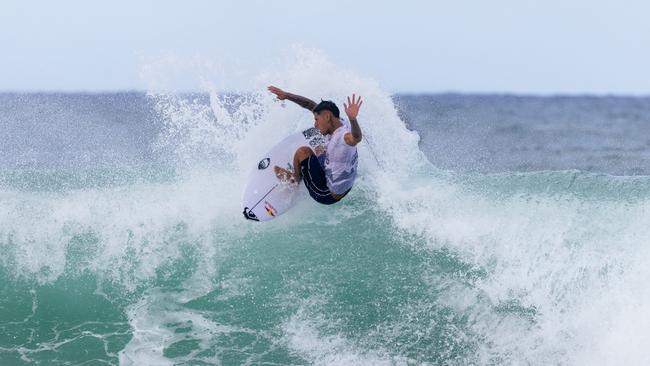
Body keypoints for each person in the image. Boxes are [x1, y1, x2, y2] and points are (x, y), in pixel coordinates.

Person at [268, 85, 363, 204]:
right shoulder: (341, 122)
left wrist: (353, 119)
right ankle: (315, 167)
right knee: (320, 147)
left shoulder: (343, 138)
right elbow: (309, 104)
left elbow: (356, 137)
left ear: (327, 117)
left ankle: (295, 179)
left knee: (303, 151)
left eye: (316, 119)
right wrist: (287, 95)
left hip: (328, 193)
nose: (315, 124)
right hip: (346, 185)